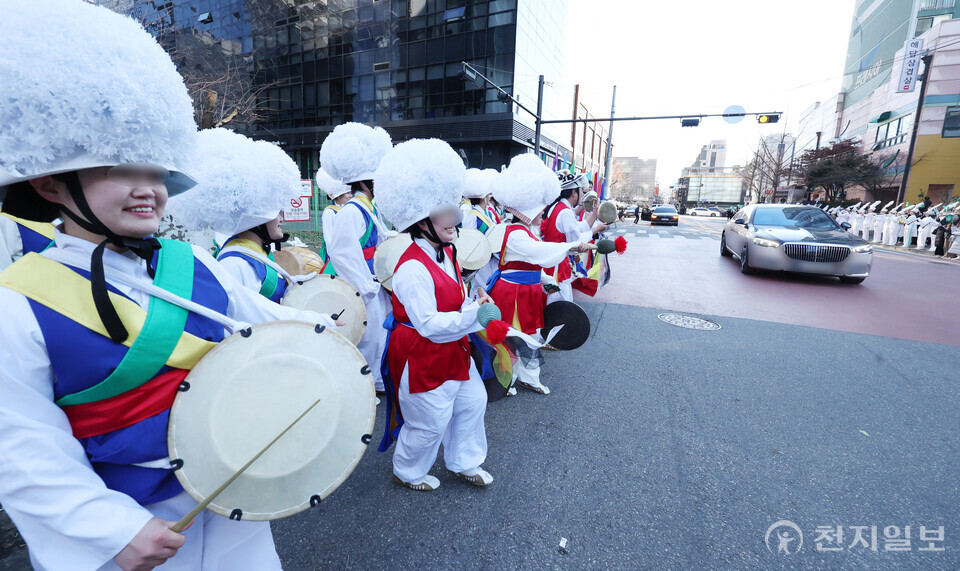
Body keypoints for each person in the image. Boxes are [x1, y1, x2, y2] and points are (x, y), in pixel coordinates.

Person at [0, 3, 335, 569]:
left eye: (156, 172)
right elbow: (21, 444)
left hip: (233, 488)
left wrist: (331, 332)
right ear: (51, 183)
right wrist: (112, 529)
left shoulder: (191, 262)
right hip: (130, 524)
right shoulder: (17, 304)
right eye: (121, 168)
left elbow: (260, 323)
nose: (147, 190)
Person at [374, 138, 494, 491]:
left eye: (453, 209)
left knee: (473, 401)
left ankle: (464, 461)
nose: (455, 218)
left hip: (453, 344)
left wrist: (476, 296)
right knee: (429, 420)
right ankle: (408, 471)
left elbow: (455, 295)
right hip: (423, 351)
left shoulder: (450, 252)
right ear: (420, 220)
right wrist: (478, 316)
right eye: (446, 212)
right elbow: (427, 325)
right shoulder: (411, 267)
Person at [487, 155, 590, 395]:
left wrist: (548, 281)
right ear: (528, 211)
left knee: (530, 335)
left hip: (527, 291)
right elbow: (538, 253)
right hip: (512, 292)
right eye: (540, 212)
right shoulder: (515, 233)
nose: (543, 216)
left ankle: (528, 377)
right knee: (511, 336)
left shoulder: (524, 230)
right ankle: (506, 379)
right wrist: (571, 246)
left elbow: (532, 265)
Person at [166, 128, 306, 301]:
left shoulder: (256, 252)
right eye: (275, 213)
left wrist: (294, 286)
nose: (281, 218)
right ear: (257, 221)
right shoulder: (235, 264)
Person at [320, 122, 394, 394]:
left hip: (374, 282)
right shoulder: (351, 211)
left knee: (378, 335)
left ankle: (373, 381)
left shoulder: (367, 208)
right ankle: (359, 386)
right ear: (364, 182)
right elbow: (341, 254)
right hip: (365, 286)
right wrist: (366, 286)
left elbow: (382, 239)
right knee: (366, 337)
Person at [540, 171, 607, 303]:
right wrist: (596, 230)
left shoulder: (559, 207)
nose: (582, 196)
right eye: (581, 192)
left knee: (557, 305)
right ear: (573, 193)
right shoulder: (565, 211)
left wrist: (594, 215)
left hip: (554, 262)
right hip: (558, 265)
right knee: (562, 306)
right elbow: (577, 241)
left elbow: (578, 228)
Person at [315, 167, 353, 275]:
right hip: (335, 256)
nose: (350, 195)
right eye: (347, 193)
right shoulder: (329, 212)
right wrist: (335, 259)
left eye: (351, 192)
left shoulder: (348, 209)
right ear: (338, 194)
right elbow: (329, 239)